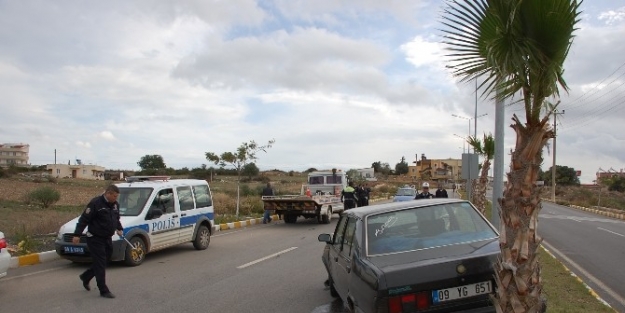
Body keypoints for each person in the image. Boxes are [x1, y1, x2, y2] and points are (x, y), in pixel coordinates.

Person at [74, 184, 123, 299]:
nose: (116, 199)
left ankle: (86, 276)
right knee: (100, 263)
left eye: (117, 197)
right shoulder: (96, 203)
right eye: (115, 196)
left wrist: (119, 228)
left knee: (105, 261)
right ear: (108, 194)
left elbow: (116, 218)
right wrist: (77, 234)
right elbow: (84, 219)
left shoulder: (115, 205)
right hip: (95, 238)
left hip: (107, 238)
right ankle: (103, 290)